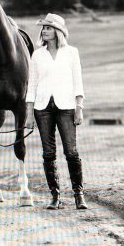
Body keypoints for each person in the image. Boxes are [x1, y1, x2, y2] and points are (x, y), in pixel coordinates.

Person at [25, 13, 88, 210]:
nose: (44, 31)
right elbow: (32, 85)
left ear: (58, 31)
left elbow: (78, 81)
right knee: (48, 153)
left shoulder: (71, 53)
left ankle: (78, 194)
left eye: (48, 28)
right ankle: (55, 195)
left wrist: (79, 107)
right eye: (43, 28)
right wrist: (28, 113)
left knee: (71, 151)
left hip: (66, 107)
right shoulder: (37, 55)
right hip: (42, 108)